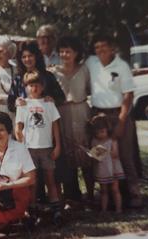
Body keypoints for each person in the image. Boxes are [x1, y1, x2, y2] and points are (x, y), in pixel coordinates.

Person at [85, 34, 143, 208]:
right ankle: (105, 196)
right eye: (97, 47)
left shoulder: (122, 66)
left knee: (124, 155)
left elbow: (128, 95)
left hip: (118, 114)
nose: (100, 50)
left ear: (112, 48)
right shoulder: (91, 63)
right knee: (100, 155)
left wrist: (122, 121)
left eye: (104, 46)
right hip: (98, 115)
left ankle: (133, 194)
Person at [12, 40, 65, 204]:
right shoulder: (18, 79)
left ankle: (55, 204)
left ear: (37, 57)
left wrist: (52, 98)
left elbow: (60, 97)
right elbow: (10, 102)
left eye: (30, 56)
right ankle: (35, 205)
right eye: (24, 56)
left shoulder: (47, 76)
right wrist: (16, 102)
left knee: (51, 175)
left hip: (46, 137)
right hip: (29, 137)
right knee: (32, 176)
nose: (27, 59)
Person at [15, 71, 63, 225]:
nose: (33, 88)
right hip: (30, 150)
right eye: (30, 85)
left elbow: (55, 126)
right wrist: (22, 146)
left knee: (51, 179)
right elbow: (18, 129)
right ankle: (33, 210)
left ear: (42, 87)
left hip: (47, 148)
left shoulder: (48, 103)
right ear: (26, 87)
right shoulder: (23, 105)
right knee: (32, 182)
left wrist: (58, 145)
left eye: (36, 85)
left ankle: (56, 210)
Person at [49, 36, 92, 204]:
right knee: (67, 157)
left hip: (81, 112)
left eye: (68, 51)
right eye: (62, 51)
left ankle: (90, 194)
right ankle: (72, 197)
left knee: (86, 155)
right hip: (62, 113)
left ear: (76, 53)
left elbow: (89, 90)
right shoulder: (53, 72)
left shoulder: (84, 69)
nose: (65, 54)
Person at [89, 113, 124, 213]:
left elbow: (116, 154)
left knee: (115, 189)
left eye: (102, 132)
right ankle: (104, 209)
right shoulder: (94, 141)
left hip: (113, 168)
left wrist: (106, 151)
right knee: (103, 190)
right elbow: (94, 157)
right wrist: (95, 155)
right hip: (102, 169)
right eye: (97, 133)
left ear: (107, 130)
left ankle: (119, 209)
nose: (100, 134)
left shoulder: (112, 140)